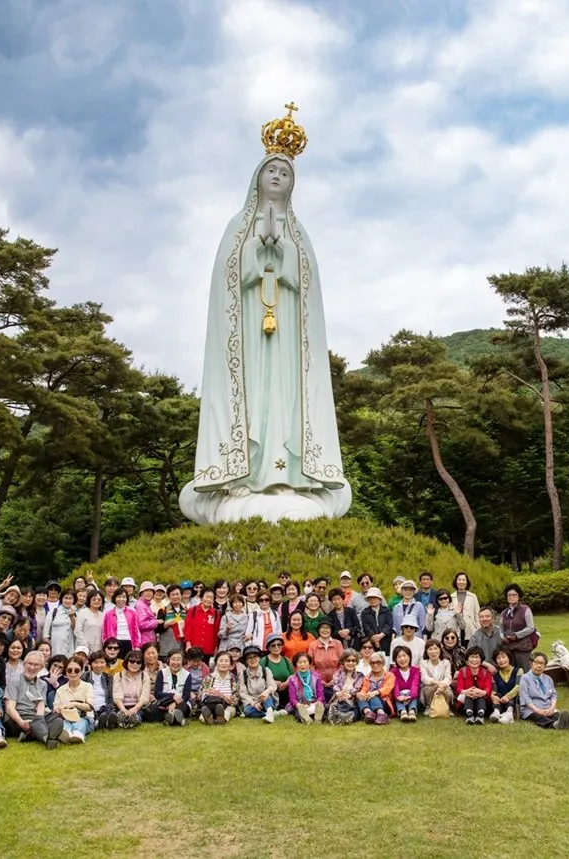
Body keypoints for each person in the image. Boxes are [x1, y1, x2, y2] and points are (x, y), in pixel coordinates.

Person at [179, 118, 349, 525]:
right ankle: (246, 474)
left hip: (287, 336)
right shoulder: (237, 227)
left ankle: (288, 475)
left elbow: (308, 287)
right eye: (271, 170)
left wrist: (285, 249)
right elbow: (226, 280)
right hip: (249, 335)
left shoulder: (298, 232)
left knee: (286, 395)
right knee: (254, 395)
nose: (277, 177)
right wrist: (256, 246)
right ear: (257, 177)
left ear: (292, 184)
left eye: (285, 173)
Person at [5, 650, 65, 748]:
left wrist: (38, 719)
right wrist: (21, 723)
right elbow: (9, 708)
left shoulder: (43, 684)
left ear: (41, 667)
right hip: (18, 718)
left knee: (57, 717)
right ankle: (46, 738)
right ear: (24, 664)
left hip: (36, 718)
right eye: (30, 663)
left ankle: (29, 734)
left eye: (36, 665)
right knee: (35, 722)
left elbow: (41, 706)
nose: (32, 667)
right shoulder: (15, 680)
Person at [519, 652, 569, 730]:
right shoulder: (524, 678)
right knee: (539, 717)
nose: (539, 666)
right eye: (536, 662)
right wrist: (538, 710)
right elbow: (526, 698)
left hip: (547, 707)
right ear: (531, 664)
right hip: (531, 709)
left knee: (556, 715)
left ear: (545, 666)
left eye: (542, 664)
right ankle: (555, 725)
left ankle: (566, 723)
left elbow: (553, 695)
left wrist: (552, 707)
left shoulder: (548, 679)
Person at [53, 657, 96, 743]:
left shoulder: (88, 686)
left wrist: (74, 704)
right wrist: (59, 709)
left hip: (85, 718)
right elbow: (56, 709)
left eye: (76, 670)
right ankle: (67, 734)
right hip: (67, 719)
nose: (73, 673)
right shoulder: (60, 690)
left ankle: (77, 734)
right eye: (69, 670)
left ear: (81, 671)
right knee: (65, 724)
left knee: (81, 722)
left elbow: (89, 707)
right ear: (66, 672)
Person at [500, 583, 538, 671]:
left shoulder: (525, 610)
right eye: (509, 595)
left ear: (518, 596)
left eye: (514, 595)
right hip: (509, 649)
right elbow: (501, 630)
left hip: (523, 648)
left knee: (525, 672)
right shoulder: (504, 613)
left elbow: (530, 627)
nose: (511, 597)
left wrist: (516, 635)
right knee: (512, 673)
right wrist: (503, 638)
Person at [199, 651, 240, 725]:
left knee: (229, 711)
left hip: (227, 706)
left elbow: (236, 699)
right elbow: (201, 696)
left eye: (226, 661)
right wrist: (207, 692)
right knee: (203, 713)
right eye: (221, 661)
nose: (223, 663)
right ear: (216, 663)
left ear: (230, 664)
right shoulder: (209, 678)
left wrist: (222, 696)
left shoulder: (234, 679)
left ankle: (221, 718)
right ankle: (209, 719)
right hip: (210, 704)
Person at [454, 646, 492, 725]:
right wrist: (467, 692)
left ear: (481, 659)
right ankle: (469, 716)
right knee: (470, 694)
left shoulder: (487, 673)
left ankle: (480, 716)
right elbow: (458, 688)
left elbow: (488, 688)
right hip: (465, 703)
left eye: (477, 657)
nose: (474, 660)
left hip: (483, 703)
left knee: (480, 695)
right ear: (467, 659)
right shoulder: (462, 671)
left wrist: (482, 692)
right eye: (472, 657)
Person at [239, 646, 278, 722]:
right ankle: (271, 714)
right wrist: (253, 704)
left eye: (255, 656)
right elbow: (243, 693)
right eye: (249, 658)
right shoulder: (242, 674)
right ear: (246, 661)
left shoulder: (266, 670)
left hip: (266, 700)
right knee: (247, 711)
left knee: (267, 697)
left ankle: (270, 712)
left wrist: (266, 692)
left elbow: (272, 685)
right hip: (253, 702)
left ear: (259, 658)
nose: (252, 660)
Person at [154, 650, 193, 726]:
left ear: (182, 661)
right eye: (173, 659)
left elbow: (186, 696)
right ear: (168, 660)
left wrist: (175, 703)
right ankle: (178, 720)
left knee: (183, 706)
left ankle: (171, 719)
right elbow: (157, 694)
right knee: (160, 709)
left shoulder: (187, 675)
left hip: (181, 703)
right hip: (165, 702)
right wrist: (172, 696)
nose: (175, 662)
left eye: (178, 660)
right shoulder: (161, 673)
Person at [112, 650, 149, 728]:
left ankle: (133, 720)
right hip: (122, 706)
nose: (135, 664)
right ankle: (122, 719)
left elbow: (144, 698)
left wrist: (135, 709)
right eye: (132, 661)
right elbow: (117, 696)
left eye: (138, 662)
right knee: (120, 714)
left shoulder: (145, 677)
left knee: (137, 715)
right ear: (127, 661)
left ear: (142, 664)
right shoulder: (118, 676)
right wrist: (123, 710)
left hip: (138, 707)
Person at [287, 652, 325, 723]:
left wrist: (317, 702)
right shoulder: (292, 679)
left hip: (314, 704)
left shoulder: (316, 677)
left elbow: (320, 695)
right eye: (300, 662)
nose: (302, 665)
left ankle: (317, 717)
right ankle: (307, 718)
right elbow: (292, 698)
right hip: (301, 705)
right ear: (296, 665)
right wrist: (299, 705)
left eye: (305, 662)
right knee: (298, 714)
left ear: (309, 664)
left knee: (323, 708)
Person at [327, 649, 362, 725]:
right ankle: (339, 717)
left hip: (352, 701)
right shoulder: (337, 673)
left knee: (355, 709)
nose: (351, 663)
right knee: (337, 704)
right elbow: (335, 685)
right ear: (343, 662)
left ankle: (341, 717)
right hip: (339, 699)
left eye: (353, 660)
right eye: (348, 660)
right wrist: (339, 692)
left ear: (356, 662)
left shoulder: (360, 676)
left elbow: (357, 688)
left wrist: (350, 694)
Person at [357, 652, 394, 724]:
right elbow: (364, 689)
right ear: (370, 664)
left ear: (383, 663)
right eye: (372, 663)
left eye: (378, 662)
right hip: (370, 703)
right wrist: (361, 694)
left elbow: (387, 689)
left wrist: (374, 693)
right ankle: (369, 713)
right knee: (360, 697)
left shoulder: (390, 675)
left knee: (373, 696)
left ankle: (382, 714)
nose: (375, 665)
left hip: (385, 703)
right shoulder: (367, 677)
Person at [101, 589, 139, 657]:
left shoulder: (133, 612)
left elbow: (136, 630)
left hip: (129, 642)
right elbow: (105, 632)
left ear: (127, 599)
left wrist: (137, 646)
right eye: (118, 597)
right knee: (116, 663)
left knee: (127, 662)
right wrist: (106, 645)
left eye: (124, 597)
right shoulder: (108, 614)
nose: (121, 599)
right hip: (114, 644)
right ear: (114, 598)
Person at [84, 650, 117, 729]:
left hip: (104, 706)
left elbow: (110, 697)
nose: (99, 665)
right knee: (91, 714)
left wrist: (110, 707)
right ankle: (99, 722)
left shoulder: (108, 677)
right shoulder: (85, 676)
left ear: (106, 663)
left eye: (102, 662)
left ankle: (105, 721)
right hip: (90, 707)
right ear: (91, 664)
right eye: (96, 662)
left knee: (109, 712)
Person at [184, 587, 220, 658]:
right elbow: (187, 629)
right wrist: (188, 644)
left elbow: (216, 632)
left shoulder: (216, 613)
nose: (209, 600)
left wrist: (216, 647)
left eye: (211, 598)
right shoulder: (192, 610)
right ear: (201, 597)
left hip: (208, 649)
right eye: (207, 597)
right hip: (194, 648)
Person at [260, 633, 293, 709]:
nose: (276, 647)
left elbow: (292, 675)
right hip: (271, 692)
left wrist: (286, 682)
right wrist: (273, 682)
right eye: (273, 645)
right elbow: (260, 678)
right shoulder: (264, 661)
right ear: (268, 647)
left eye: (279, 644)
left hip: (285, 691)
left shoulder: (286, 660)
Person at [419, 638, 453, 712]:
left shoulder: (446, 663)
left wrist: (442, 685)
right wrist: (437, 683)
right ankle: (428, 707)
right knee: (431, 687)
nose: (433, 652)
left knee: (446, 689)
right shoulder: (423, 663)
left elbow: (448, 677)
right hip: (429, 688)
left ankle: (447, 708)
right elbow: (424, 678)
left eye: (435, 648)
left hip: (443, 687)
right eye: (430, 649)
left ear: (440, 650)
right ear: (426, 651)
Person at [490, 647, 522, 724]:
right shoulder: (495, 676)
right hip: (501, 701)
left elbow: (519, 686)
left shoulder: (518, 671)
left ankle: (509, 714)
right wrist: (492, 696)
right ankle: (496, 712)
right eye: (498, 658)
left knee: (513, 695)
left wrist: (508, 696)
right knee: (497, 695)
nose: (501, 660)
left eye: (503, 657)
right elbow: (494, 690)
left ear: (509, 658)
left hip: (513, 701)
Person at [308, 619, 343, 688]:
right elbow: (310, 665)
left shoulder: (338, 643)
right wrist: (319, 680)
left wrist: (335, 679)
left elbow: (342, 663)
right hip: (318, 681)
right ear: (318, 630)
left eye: (327, 628)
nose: (325, 630)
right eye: (322, 627)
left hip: (337, 681)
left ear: (331, 630)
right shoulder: (313, 645)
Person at [390, 645, 421, 722]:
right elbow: (395, 687)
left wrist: (410, 696)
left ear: (409, 657)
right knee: (398, 697)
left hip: (412, 697)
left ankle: (412, 711)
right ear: (395, 659)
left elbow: (415, 685)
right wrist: (398, 697)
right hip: (399, 698)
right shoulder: (393, 672)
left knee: (413, 695)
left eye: (404, 656)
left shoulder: (416, 670)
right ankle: (402, 711)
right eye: (399, 657)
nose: (402, 659)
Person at [359, 587, 393, 655]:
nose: (372, 600)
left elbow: (389, 624)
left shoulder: (386, 611)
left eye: (375, 598)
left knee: (386, 657)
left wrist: (381, 635)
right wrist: (375, 638)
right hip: (371, 640)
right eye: (370, 598)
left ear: (380, 599)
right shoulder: (365, 612)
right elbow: (366, 627)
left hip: (385, 639)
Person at [468, 606, 503, 672]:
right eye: (481, 617)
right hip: (482, 670)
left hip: (502, 668)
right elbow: (470, 656)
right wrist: (488, 665)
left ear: (493, 618)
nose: (484, 619)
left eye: (487, 616)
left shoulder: (501, 633)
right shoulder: (475, 636)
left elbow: (508, 653)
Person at [157, 584, 187, 657]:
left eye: (177, 594)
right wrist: (166, 624)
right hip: (166, 649)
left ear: (181, 595)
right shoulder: (163, 610)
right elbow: (157, 628)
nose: (175, 596)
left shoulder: (186, 611)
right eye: (173, 594)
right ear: (168, 596)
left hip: (181, 649)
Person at [451, 572, 481, 642]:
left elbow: (477, 614)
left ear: (467, 582)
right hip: (455, 629)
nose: (461, 582)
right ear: (456, 581)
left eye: (463, 580)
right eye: (459, 580)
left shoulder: (473, 596)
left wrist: (478, 628)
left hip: (470, 629)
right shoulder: (451, 597)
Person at [75, 589, 105, 654]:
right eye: (94, 599)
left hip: (99, 649)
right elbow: (77, 631)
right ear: (89, 600)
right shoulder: (82, 613)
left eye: (99, 600)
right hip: (84, 648)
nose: (96, 601)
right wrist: (85, 645)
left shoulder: (103, 615)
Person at [135, 582, 159, 646]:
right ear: (141, 593)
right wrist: (156, 622)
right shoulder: (140, 605)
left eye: (151, 591)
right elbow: (141, 624)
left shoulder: (146, 605)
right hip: (144, 641)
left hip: (148, 639)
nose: (149, 593)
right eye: (146, 590)